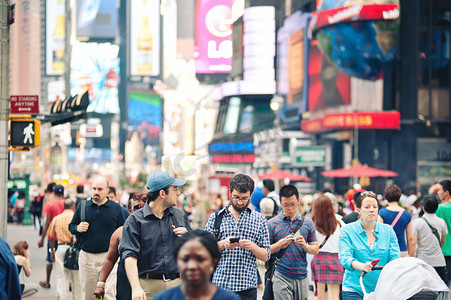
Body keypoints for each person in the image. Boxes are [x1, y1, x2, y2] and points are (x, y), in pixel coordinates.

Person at [121, 172, 191, 300]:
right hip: (147, 288)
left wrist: (189, 238)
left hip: (177, 285)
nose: (178, 193)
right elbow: (130, 256)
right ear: (162, 194)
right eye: (175, 189)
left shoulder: (180, 216)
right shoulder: (135, 221)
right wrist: (136, 287)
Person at [205, 174, 270, 300]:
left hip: (247, 287)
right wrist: (223, 244)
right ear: (230, 193)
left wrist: (252, 247)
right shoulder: (216, 218)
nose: (239, 202)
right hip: (220, 285)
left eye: (244, 198)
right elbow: (204, 250)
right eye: (236, 197)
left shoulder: (259, 220)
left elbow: (266, 255)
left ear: (251, 195)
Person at [69, 176, 125, 300]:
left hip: (109, 256)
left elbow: (122, 230)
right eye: (94, 188)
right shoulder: (82, 206)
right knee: (88, 295)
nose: (96, 192)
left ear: (107, 190)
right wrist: (77, 228)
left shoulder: (116, 208)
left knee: (109, 295)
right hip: (87, 258)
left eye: (100, 189)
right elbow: (71, 226)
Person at [339, 191, 400, 299]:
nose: (371, 209)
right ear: (358, 210)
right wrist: (361, 266)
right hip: (354, 288)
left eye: (375, 207)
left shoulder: (388, 230)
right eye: (367, 207)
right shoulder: (347, 230)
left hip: (381, 288)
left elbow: (395, 257)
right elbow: (345, 257)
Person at [153, 229, 240, 300]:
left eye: (200, 259)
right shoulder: (163, 298)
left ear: (213, 262)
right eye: (185, 259)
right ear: (177, 261)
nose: (192, 266)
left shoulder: (229, 298)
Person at [267, 185, 319, 300]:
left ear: (298, 201)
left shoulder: (308, 223)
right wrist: (278, 245)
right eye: (286, 205)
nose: (290, 208)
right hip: (281, 274)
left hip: (302, 275)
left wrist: (304, 245)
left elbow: (315, 250)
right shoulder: (272, 223)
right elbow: (265, 251)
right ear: (280, 203)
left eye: (293, 204)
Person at [93, 193, 147, 300]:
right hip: (125, 284)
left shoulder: (155, 230)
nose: (140, 211)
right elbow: (109, 259)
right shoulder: (120, 232)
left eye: (144, 208)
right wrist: (101, 284)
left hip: (148, 283)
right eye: (137, 207)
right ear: (129, 209)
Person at [311, 194, 344, 300]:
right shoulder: (339, 222)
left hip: (319, 259)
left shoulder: (312, 223)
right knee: (334, 296)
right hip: (336, 259)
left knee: (320, 296)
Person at [48, 199, 81, 300]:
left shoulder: (57, 218)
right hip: (76, 250)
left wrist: (52, 251)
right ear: (73, 207)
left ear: (64, 207)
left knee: (61, 276)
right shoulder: (78, 218)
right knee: (77, 279)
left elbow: (51, 237)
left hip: (61, 248)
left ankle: (62, 297)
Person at [412, 194, 448, 284]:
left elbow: (413, 242)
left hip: (422, 261)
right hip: (439, 261)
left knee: (425, 288)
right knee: (440, 288)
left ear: (423, 207)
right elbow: (443, 240)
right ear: (437, 207)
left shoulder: (417, 222)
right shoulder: (441, 222)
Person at [37, 184, 65, 289]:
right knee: (66, 260)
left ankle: (47, 281)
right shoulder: (67, 204)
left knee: (50, 259)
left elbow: (47, 224)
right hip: (64, 237)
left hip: (52, 239)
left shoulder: (50, 205)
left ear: (53, 193)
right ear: (63, 194)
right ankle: (69, 282)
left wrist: (42, 239)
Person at [377, 184, 415, 257]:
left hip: (387, 252)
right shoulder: (406, 214)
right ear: (399, 196)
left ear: (386, 197)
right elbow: (410, 238)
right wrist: (410, 255)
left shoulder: (382, 212)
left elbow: (379, 233)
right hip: (402, 251)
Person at [435, 179, 451, 285]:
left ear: (447, 192)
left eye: (440, 190)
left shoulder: (440, 208)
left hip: (445, 250)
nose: (438, 192)